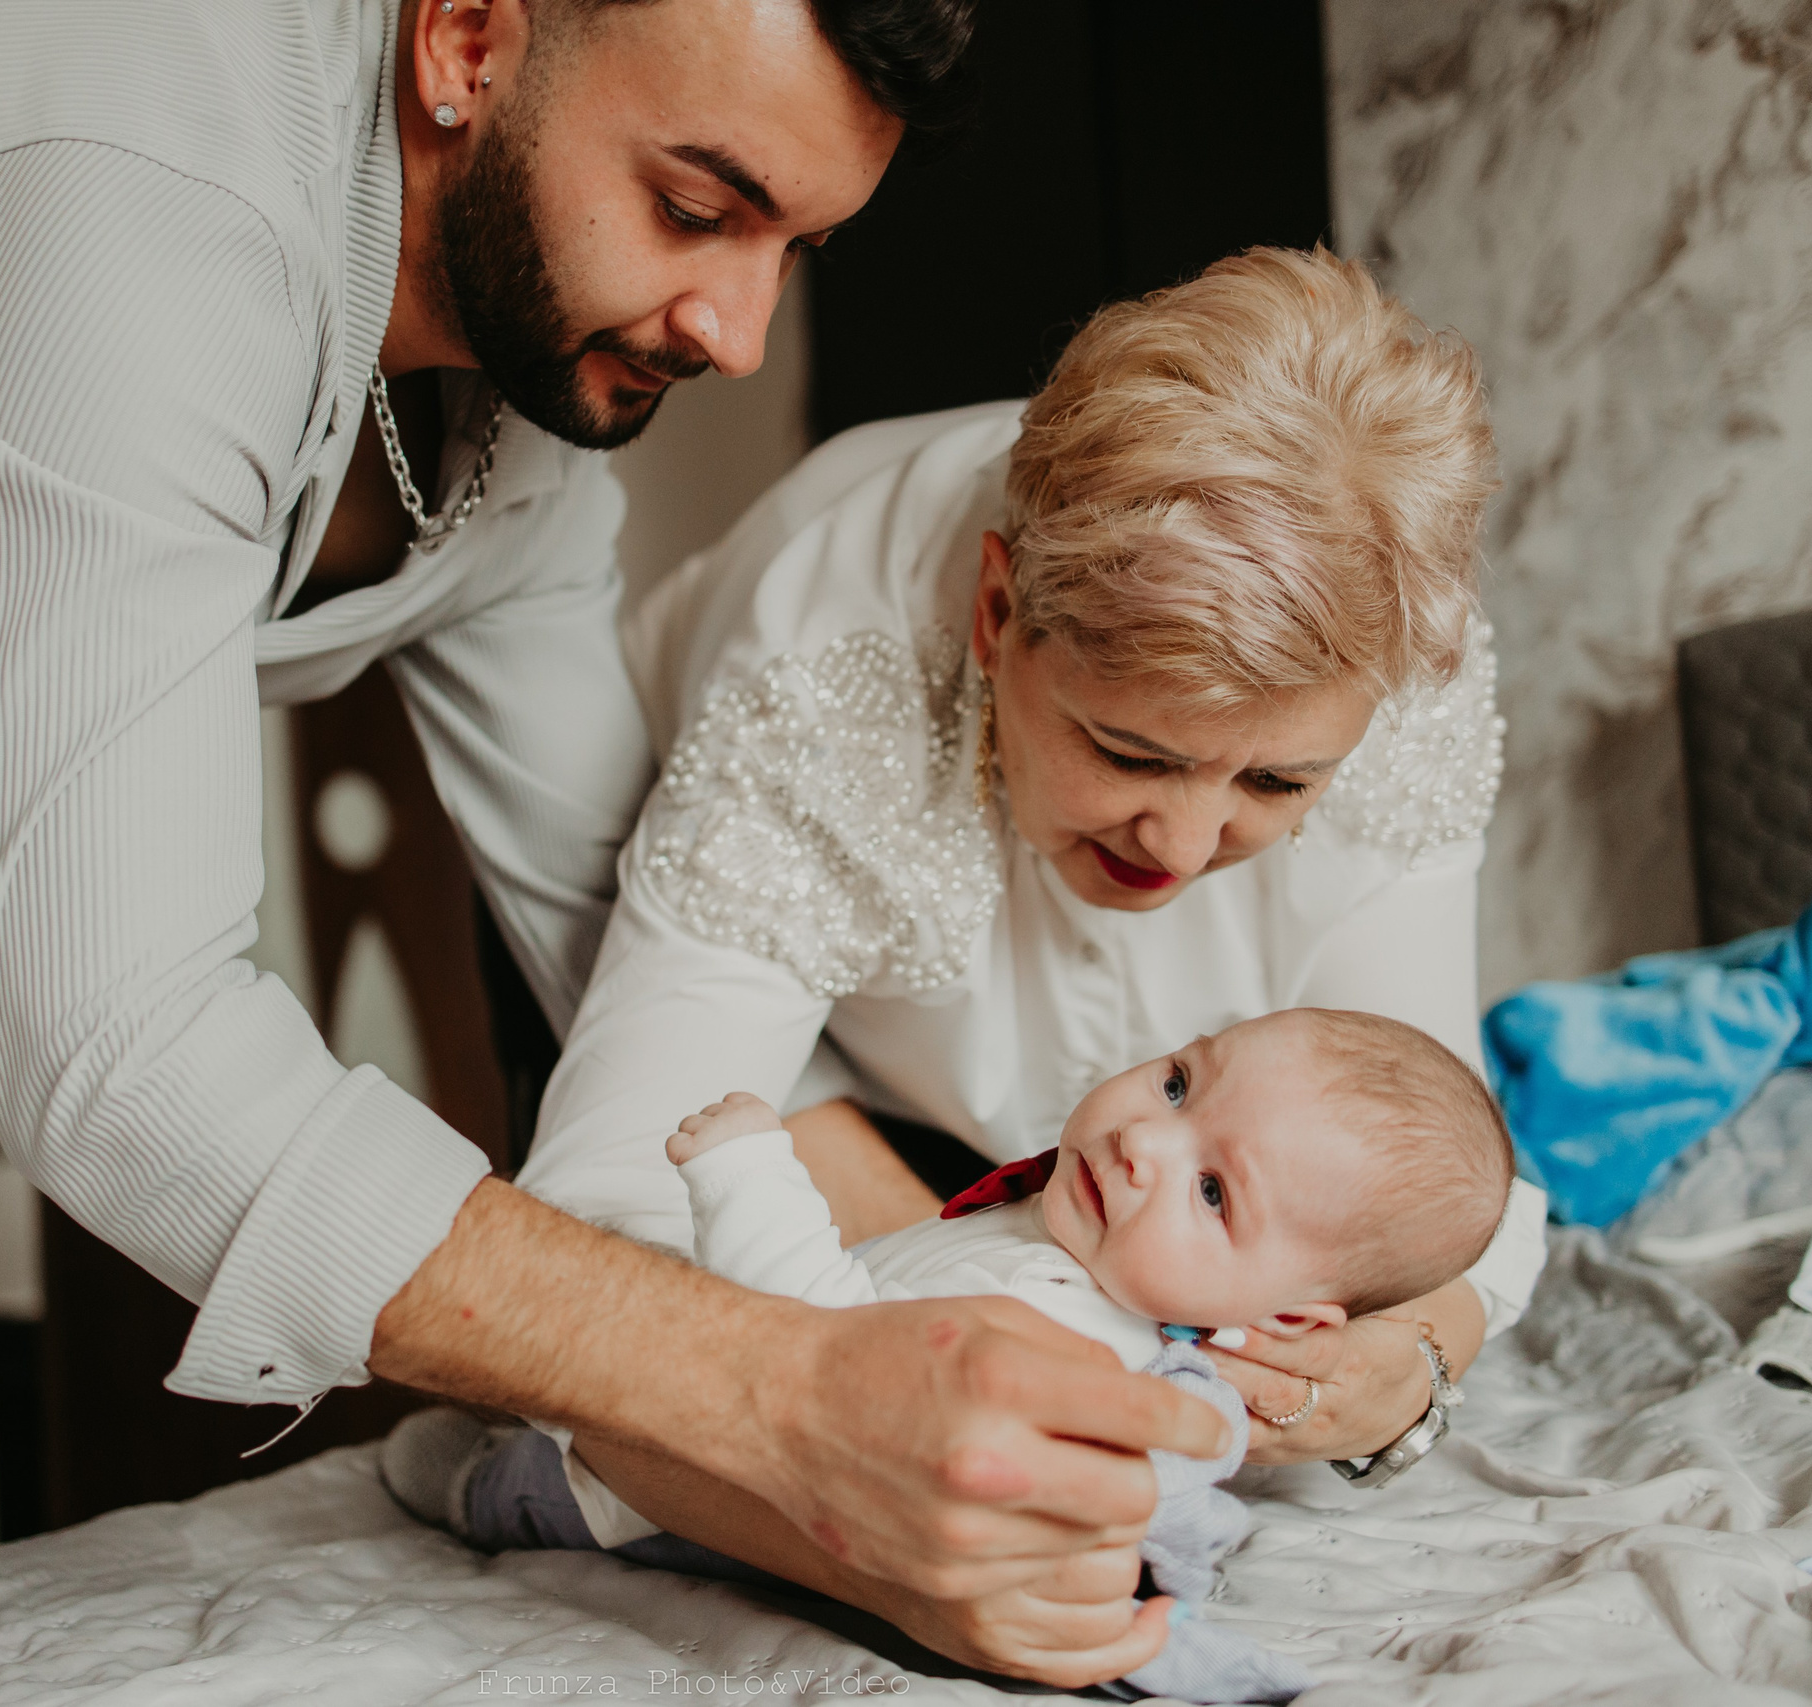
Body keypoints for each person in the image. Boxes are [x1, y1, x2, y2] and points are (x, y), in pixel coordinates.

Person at [0, 0, 1232, 1671]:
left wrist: (983, 1328)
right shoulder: (120, 183)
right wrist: (775, 1388)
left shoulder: (515, 412)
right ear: (469, 36)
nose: (738, 335)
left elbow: (656, 939)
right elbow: (127, 1049)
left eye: (795, 249)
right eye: (698, 207)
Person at [513, 249, 1554, 1673]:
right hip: (747, 1016)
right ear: (999, 614)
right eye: (1130, 750)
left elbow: (1419, 1137)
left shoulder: (1397, 655)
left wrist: (1410, 1358)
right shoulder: (828, 681)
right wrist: (884, 1535)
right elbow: (599, 1222)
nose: (1184, 845)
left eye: (1276, 783)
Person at [398, 1008, 1516, 1702]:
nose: (1141, 1138)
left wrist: (747, 1173)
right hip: (730, 1392)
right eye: (1178, 1082)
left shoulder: (1060, 1337)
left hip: (669, 1489)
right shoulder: (1064, 1237)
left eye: (1215, 1191)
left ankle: (470, 1485)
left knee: (538, 1477)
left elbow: (822, 1345)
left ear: (1284, 1326)